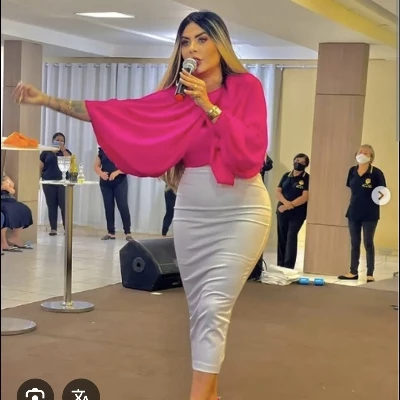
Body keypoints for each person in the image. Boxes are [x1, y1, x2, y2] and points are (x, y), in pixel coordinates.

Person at [12, 10, 271, 400]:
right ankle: (210, 394)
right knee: (201, 308)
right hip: (192, 208)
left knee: (213, 305)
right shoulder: (176, 97)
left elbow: (251, 154)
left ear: (220, 43)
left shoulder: (246, 87)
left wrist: (208, 105)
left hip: (242, 210)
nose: (193, 49)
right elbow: (113, 113)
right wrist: (47, 100)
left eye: (202, 39)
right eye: (185, 42)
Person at [339, 144, 386, 283]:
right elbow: (352, 188)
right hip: (354, 212)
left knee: (368, 242)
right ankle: (353, 271)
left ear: (371, 157)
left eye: (366, 153)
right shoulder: (352, 171)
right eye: (360, 152)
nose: (362, 154)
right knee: (354, 243)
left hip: (370, 213)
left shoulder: (376, 173)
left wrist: (375, 199)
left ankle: (370, 273)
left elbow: (383, 192)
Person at [276, 153, 310, 269]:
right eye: (297, 160)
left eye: (302, 162)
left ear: (306, 165)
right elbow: (278, 192)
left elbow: (304, 197)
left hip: (297, 213)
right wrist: (285, 203)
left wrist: (288, 206)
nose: (298, 163)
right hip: (282, 211)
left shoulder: (307, 178)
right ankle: (280, 265)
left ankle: (288, 266)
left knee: (291, 236)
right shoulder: (286, 176)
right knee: (282, 236)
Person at [94, 147, 133, 241]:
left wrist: (117, 172)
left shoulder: (121, 148)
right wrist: (101, 174)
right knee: (108, 206)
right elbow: (96, 166)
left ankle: (127, 232)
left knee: (122, 205)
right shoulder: (102, 150)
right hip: (105, 183)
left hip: (119, 181)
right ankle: (111, 232)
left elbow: (128, 166)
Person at [40, 132, 72, 235]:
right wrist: (38, 179)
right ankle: (53, 228)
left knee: (64, 205)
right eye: (57, 140)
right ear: (53, 140)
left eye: (62, 140)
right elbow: (40, 167)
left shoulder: (66, 152)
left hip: (62, 182)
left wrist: (63, 150)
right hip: (48, 182)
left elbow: (69, 161)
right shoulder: (46, 152)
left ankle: (66, 228)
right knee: (51, 206)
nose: (59, 142)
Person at [1, 174, 34, 251]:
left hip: (9, 199)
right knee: (6, 213)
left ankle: (15, 237)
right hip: (2, 201)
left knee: (24, 210)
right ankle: (3, 242)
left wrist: (8, 185)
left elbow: (12, 190)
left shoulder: (4, 176)